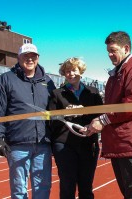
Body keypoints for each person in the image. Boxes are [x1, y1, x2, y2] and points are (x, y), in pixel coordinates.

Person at [82, 31, 132, 199]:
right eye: (108, 51)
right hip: (120, 142)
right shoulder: (117, 74)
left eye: (113, 50)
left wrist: (103, 120)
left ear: (126, 48)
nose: (109, 54)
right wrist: (94, 123)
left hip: (130, 144)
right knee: (129, 193)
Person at [0, 43, 56, 199]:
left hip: (43, 143)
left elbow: (54, 110)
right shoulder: (6, 79)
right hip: (17, 143)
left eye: (33, 56)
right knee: (19, 188)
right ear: (18, 58)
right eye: (26, 56)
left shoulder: (48, 81)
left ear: (38, 58)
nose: (30, 59)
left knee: (43, 186)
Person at [49, 57, 103, 199]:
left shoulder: (93, 92)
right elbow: (51, 120)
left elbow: (101, 116)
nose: (71, 74)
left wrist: (90, 124)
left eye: (74, 70)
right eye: (67, 71)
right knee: (67, 186)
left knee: (86, 187)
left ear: (80, 71)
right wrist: (67, 114)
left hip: (88, 143)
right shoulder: (57, 93)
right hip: (65, 145)